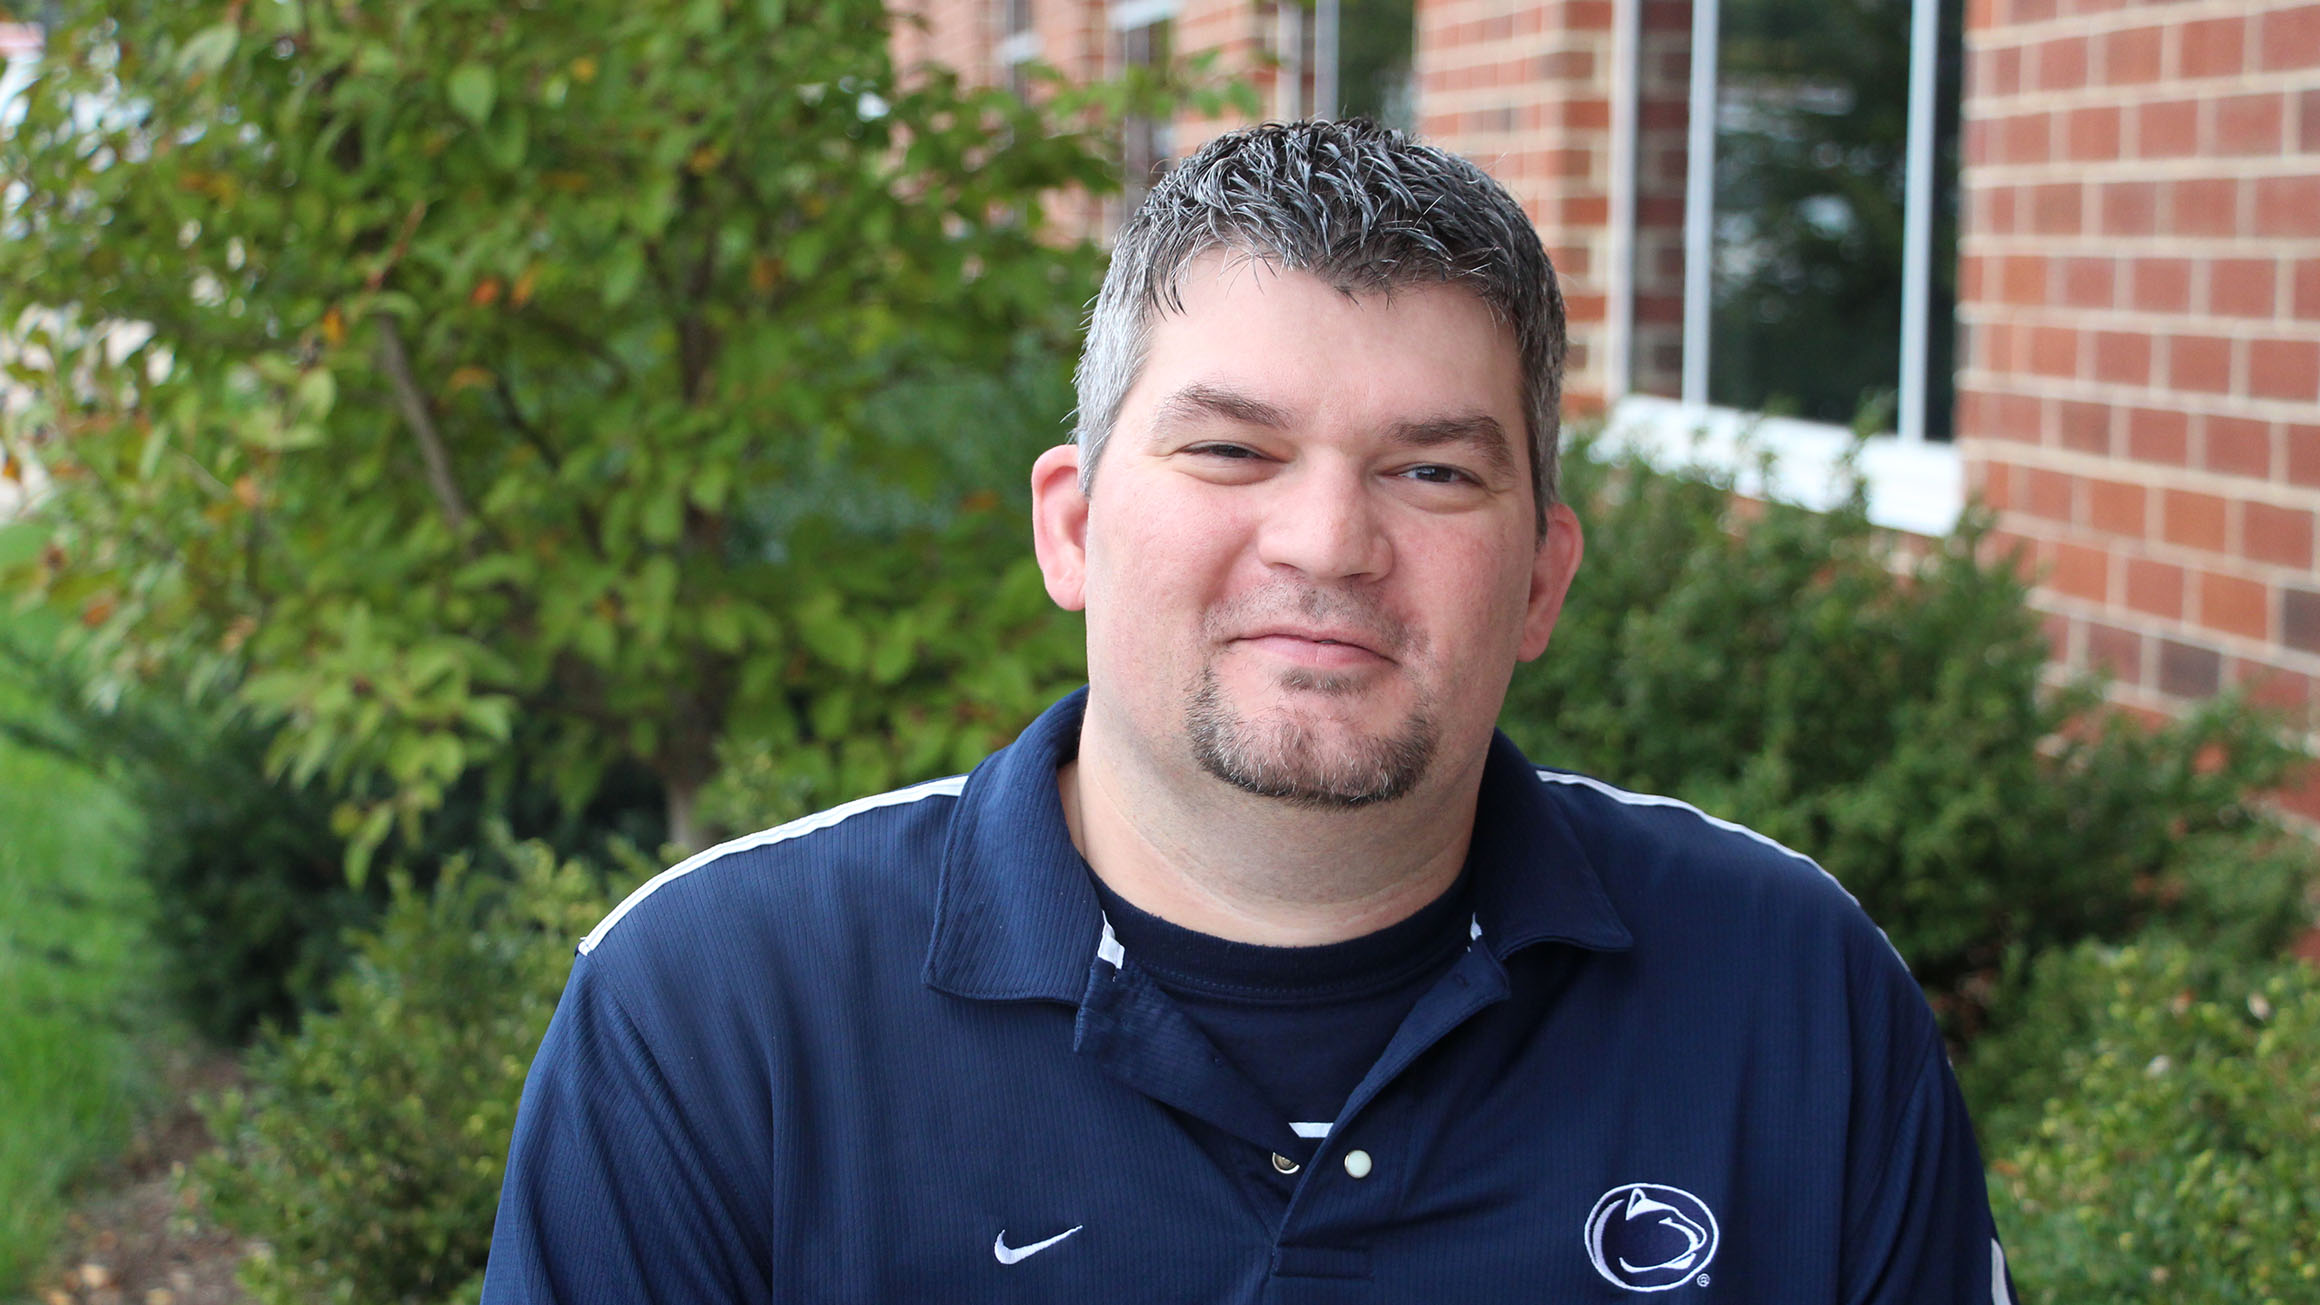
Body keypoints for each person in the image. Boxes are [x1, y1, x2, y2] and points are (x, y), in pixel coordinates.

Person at [480, 119, 2015, 1303]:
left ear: (1543, 579)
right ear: (1070, 527)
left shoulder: (1797, 997)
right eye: (1230, 450)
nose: (1327, 543)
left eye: (1432, 470)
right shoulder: (712, 1014)